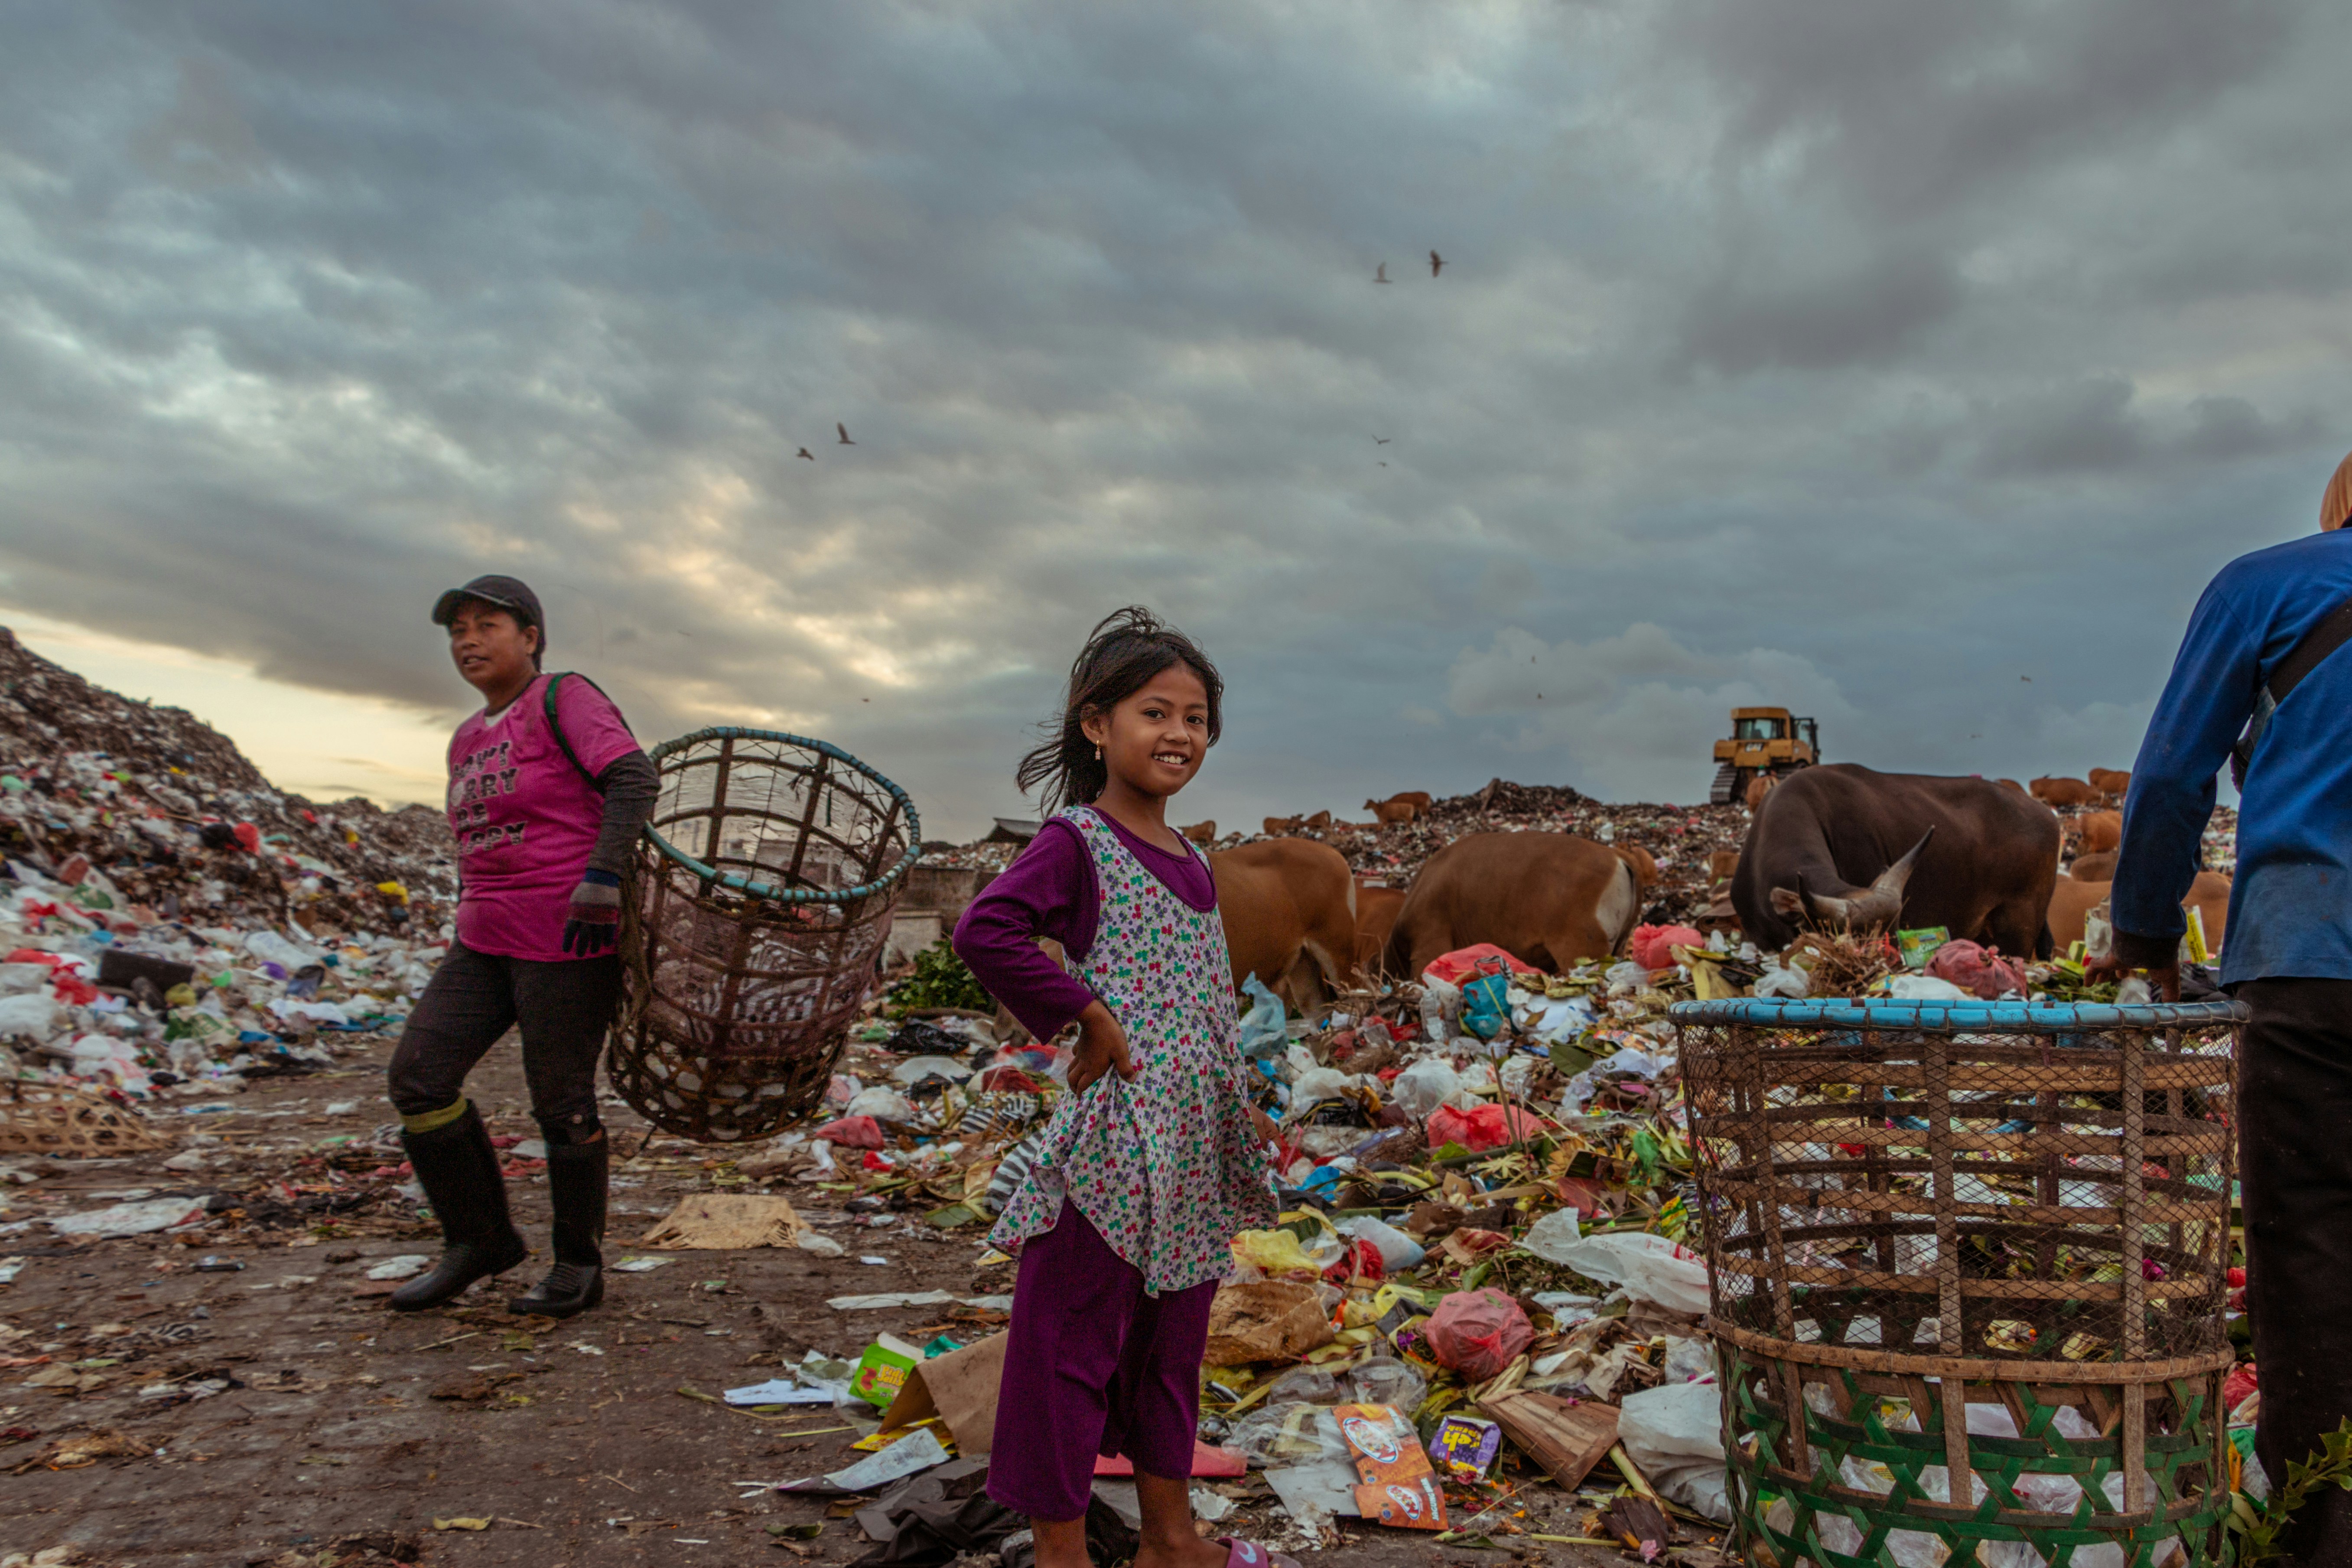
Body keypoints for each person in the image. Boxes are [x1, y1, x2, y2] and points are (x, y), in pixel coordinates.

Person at [952, 608, 1293, 1568]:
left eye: (1195, 717)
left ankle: (1169, 1539)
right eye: (1155, 711)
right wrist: (1083, 1013)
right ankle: (1061, 1555)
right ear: (1097, 726)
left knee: (1167, 1352)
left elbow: (1198, 1004)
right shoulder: (1077, 841)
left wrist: (1236, 1097)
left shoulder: (1194, 864)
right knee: (1063, 1356)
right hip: (1111, 1148)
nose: (1178, 734)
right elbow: (988, 930)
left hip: (1187, 1145)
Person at [2099, 450, 2352, 1560]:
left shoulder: (2265, 584)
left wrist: (2149, 941)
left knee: (2310, 1251)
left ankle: (2320, 1531)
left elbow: (2165, 781)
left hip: (2311, 964)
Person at [383, 574, 657, 1319]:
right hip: (483, 938)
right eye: (456, 630)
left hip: (566, 933)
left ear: (530, 637)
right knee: (420, 1077)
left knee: (560, 1099)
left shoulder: (564, 697)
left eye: (486, 625)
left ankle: (578, 1264)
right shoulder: (468, 737)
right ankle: (481, 1241)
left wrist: (603, 878)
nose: (467, 640)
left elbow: (632, 775)